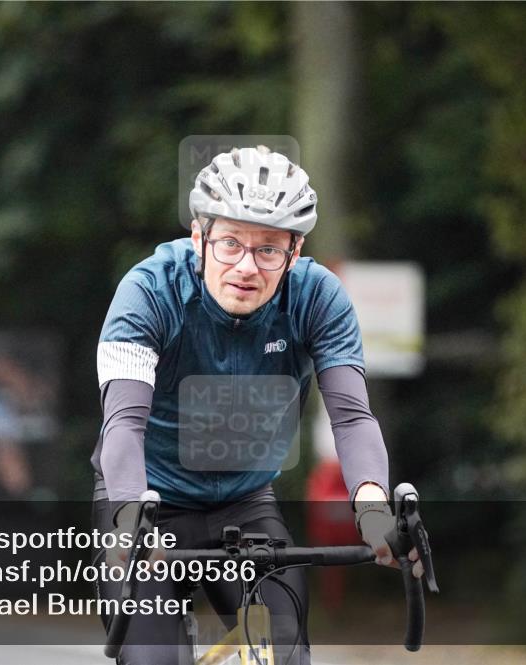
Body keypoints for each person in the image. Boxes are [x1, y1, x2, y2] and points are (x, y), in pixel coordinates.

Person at [91, 146, 421, 664]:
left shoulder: (317, 297)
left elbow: (352, 417)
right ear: (199, 238)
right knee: (153, 659)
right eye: (229, 244)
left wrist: (374, 507)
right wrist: (130, 514)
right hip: (147, 500)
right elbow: (124, 424)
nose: (246, 267)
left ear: (294, 251)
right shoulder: (149, 290)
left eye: (268, 250)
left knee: (286, 654)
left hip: (244, 504)